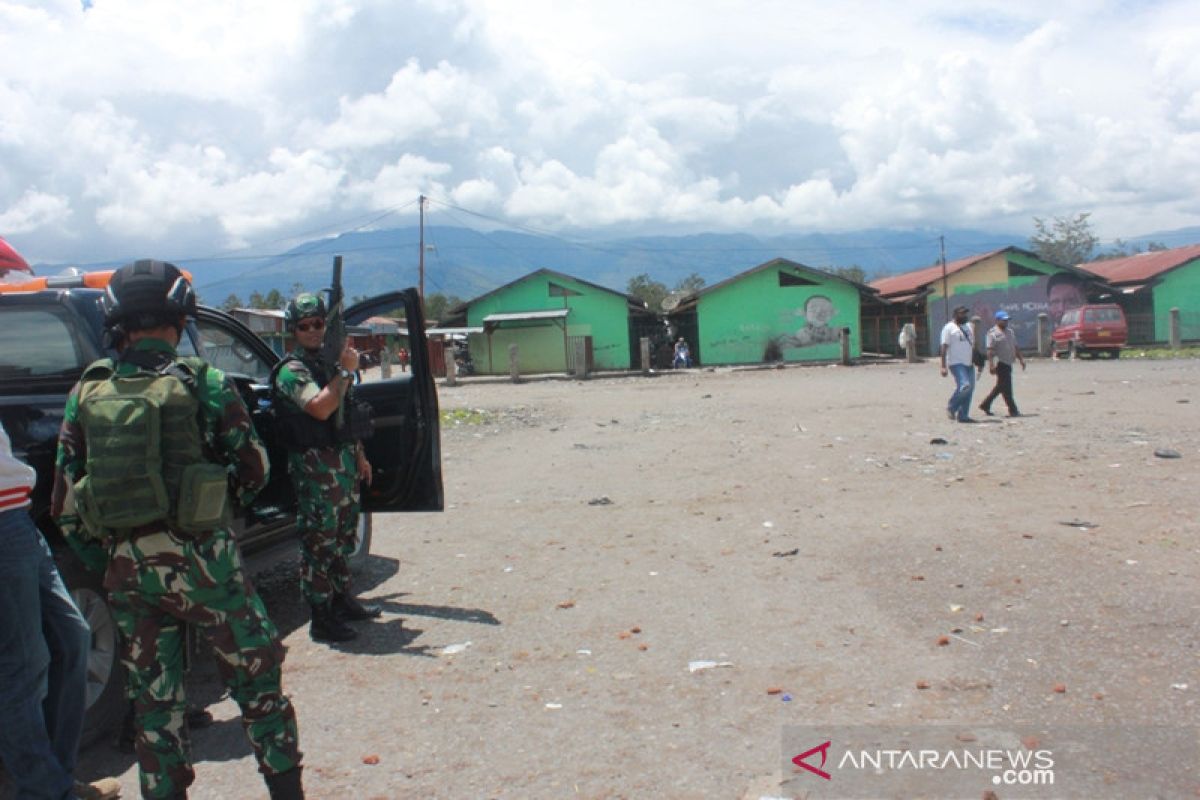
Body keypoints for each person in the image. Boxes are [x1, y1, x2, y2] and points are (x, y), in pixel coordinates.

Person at [51, 260, 304, 799]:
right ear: (177, 318)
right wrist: (212, 512)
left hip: (127, 576)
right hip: (206, 567)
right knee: (258, 684)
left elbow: (65, 502)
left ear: (119, 322)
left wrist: (111, 560)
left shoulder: (87, 391)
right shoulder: (203, 382)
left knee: (155, 707)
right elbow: (255, 468)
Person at [0, 422, 122, 800]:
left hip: (16, 514)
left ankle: (55, 779)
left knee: (72, 636)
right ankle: (44, 790)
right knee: (21, 665)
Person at [272, 293, 377, 644]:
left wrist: (359, 456)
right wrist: (345, 371)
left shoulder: (329, 366)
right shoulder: (292, 370)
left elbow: (344, 416)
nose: (313, 332)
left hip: (342, 464)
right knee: (320, 544)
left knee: (343, 538)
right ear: (293, 331)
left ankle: (342, 599)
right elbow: (319, 408)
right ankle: (321, 616)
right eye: (305, 326)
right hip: (315, 469)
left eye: (319, 324)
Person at [979, 310, 1026, 418]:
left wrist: (1021, 359)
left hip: (1008, 361)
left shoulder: (1010, 332)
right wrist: (991, 365)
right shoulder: (992, 333)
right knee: (1007, 388)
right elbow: (990, 350)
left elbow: (1015, 347)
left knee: (1001, 386)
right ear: (997, 320)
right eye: (1003, 320)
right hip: (999, 363)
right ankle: (1013, 410)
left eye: (1007, 320)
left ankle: (985, 404)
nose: (1006, 322)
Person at [939, 305, 979, 423]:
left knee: (970, 389)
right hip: (956, 363)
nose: (964, 316)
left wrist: (978, 360)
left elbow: (973, 344)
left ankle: (963, 415)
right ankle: (952, 406)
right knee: (964, 386)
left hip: (969, 362)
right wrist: (943, 366)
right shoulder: (948, 328)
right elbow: (944, 346)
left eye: (965, 313)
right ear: (955, 315)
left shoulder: (969, 327)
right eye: (962, 314)